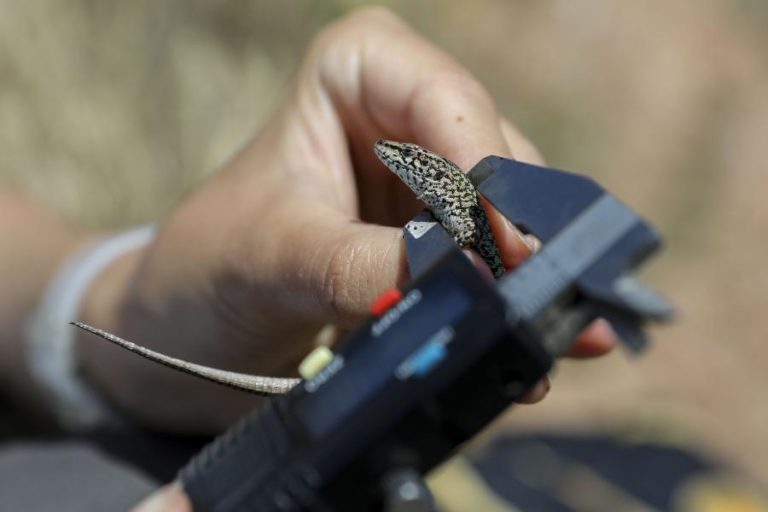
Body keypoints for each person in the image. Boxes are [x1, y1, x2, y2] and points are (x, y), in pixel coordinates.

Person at [0, 8, 616, 511]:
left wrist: (107, 295)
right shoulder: (457, 224)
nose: (397, 165)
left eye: (409, 165)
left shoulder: (470, 223)